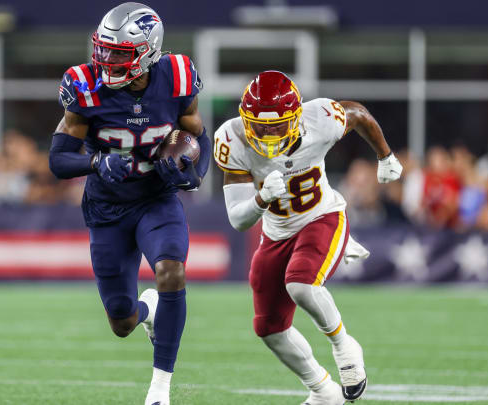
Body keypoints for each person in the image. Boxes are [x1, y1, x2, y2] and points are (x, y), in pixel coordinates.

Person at [48, 3, 211, 405]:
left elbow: (198, 136)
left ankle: (159, 390)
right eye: (102, 50)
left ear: (149, 52)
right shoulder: (85, 86)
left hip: (156, 198)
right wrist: (95, 162)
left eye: (118, 53)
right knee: (121, 321)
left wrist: (195, 172)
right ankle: (147, 310)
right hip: (107, 209)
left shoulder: (176, 78)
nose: (105, 60)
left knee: (171, 271)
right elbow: (57, 159)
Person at [214, 70, 402, 405]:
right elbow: (238, 220)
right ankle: (322, 390)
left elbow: (358, 113)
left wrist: (385, 155)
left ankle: (345, 345)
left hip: (321, 216)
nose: (268, 133)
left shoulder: (321, 119)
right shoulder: (233, 140)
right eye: (259, 125)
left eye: (277, 124)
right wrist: (261, 200)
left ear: (297, 117)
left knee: (300, 284)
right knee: (269, 328)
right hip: (275, 232)